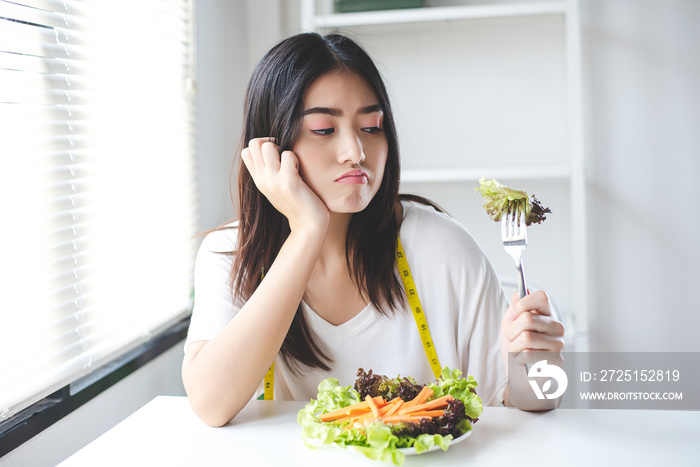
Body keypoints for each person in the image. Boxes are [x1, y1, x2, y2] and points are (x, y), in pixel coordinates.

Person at [181, 32, 565, 427]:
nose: (356, 152)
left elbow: (520, 402)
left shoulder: (439, 248)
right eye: (324, 130)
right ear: (270, 145)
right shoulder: (229, 253)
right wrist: (307, 231)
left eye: (371, 126)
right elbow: (212, 404)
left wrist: (536, 369)